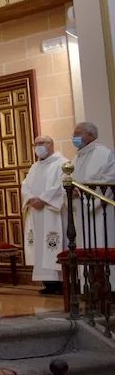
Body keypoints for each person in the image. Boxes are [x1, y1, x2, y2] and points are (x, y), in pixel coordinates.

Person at [21, 135, 69, 295]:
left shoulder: (62, 163)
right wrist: (30, 198)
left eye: (41, 143)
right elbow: (25, 185)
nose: (38, 146)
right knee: (41, 248)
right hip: (36, 212)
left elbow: (61, 185)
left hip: (52, 212)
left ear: (51, 144)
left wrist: (43, 199)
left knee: (53, 244)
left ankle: (60, 282)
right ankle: (48, 283)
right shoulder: (35, 167)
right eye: (35, 144)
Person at [70, 121, 115, 284]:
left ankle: (108, 286)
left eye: (77, 134)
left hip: (101, 210)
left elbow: (109, 179)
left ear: (89, 135)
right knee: (85, 244)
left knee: (102, 243)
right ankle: (87, 285)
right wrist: (72, 191)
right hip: (81, 209)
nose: (73, 138)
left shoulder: (104, 153)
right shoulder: (76, 158)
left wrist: (83, 192)